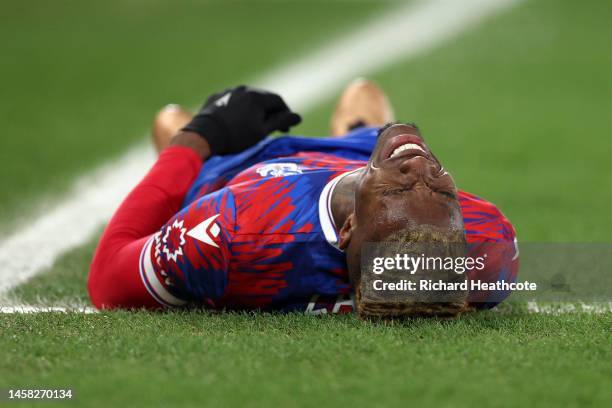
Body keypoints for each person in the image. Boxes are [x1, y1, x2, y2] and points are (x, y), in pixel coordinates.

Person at [88, 79, 518, 316]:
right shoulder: (486, 246)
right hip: (362, 161)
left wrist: (199, 135)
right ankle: (360, 138)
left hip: (245, 176)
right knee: (363, 92)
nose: (423, 168)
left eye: (404, 187)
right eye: (444, 194)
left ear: (350, 227)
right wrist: (396, 181)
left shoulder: (233, 231)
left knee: (170, 120)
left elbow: (107, 279)